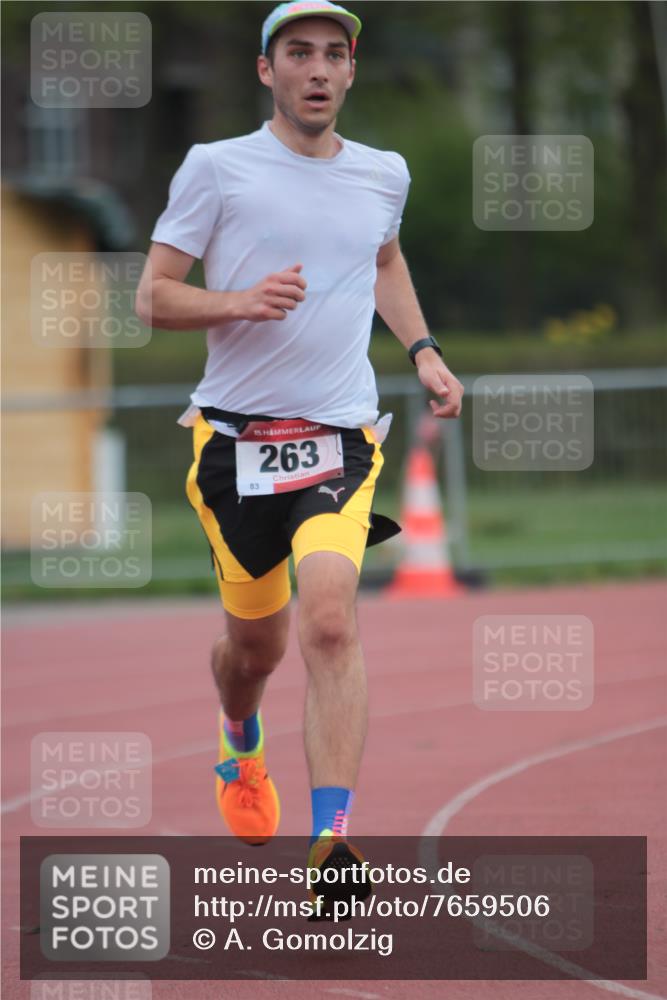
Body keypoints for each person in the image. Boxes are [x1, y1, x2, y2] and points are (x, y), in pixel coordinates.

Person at [137, 0, 463, 908]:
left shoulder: (382, 174)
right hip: (232, 448)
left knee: (328, 620)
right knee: (255, 650)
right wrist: (238, 301)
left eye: (332, 54)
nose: (316, 69)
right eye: (297, 53)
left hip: (338, 438)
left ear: (351, 71)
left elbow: (383, 261)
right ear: (265, 70)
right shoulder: (217, 168)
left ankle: (332, 842)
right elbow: (154, 298)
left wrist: (424, 350)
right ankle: (239, 738)